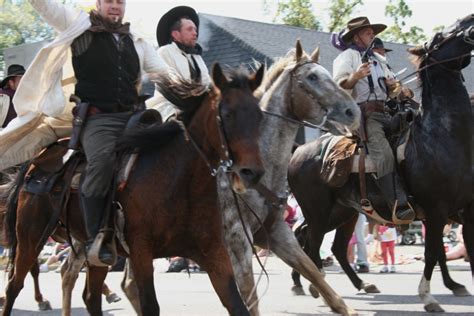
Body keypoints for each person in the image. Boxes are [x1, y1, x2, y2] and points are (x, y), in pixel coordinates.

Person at [6, 0, 168, 266]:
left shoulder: (137, 40)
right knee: (101, 163)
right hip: (99, 120)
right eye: (109, 1)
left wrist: (197, 91)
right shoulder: (79, 26)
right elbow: (48, 8)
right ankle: (96, 237)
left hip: (135, 117)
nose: (115, 6)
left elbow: (164, 74)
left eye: (120, 2)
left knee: (168, 152)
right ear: (99, 4)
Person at [332, 17, 415, 221]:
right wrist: (355, 77)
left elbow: (393, 90)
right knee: (384, 155)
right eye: (368, 33)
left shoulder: (379, 60)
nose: (373, 35)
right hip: (365, 115)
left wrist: (396, 89)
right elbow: (338, 88)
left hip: (387, 112)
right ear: (357, 36)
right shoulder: (347, 57)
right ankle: (398, 204)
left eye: (372, 32)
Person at [149, 5, 210, 121]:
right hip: (169, 107)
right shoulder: (164, 52)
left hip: (197, 106)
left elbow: (207, 82)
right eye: (189, 29)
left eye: (195, 30)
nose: (195, 33)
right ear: (175, 34)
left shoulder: (197, 57)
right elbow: (172, 82)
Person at [0, 64, 25, 128]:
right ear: (11, 82)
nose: (24, 83)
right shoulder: (2, 98)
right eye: (21, 80)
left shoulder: (25, 96)